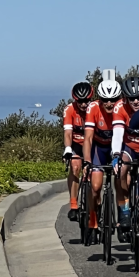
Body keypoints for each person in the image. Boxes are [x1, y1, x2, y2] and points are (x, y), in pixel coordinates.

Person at [83, 79, 122, 244]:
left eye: (113, 99)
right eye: (105, 100)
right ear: (99, 99)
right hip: (99, 149)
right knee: (96, 187)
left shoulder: (121, 107)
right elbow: (88, 138)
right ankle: (93, 221)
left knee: (122, 179)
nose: (109, 103)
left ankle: (122, 218)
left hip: (117, 150)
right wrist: (86, 161)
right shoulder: (93, 108)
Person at [111, 76, 139, 242]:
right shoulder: (119, 107)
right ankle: (125, 210)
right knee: (120, 172)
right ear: (125, 98)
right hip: (130, 147)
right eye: (131, 98)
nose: (136, 101)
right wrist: (116, 154)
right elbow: (118, 132)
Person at [63, 82, 93, 221]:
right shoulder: (69, 109)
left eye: (86, 101)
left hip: (92, 143)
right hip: (76, 143)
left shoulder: (95, 108)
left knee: (92, 171)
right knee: (75, 167)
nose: (83, 105)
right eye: (80, 101)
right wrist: (68, 149)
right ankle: (74, 205)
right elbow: (68, 133)